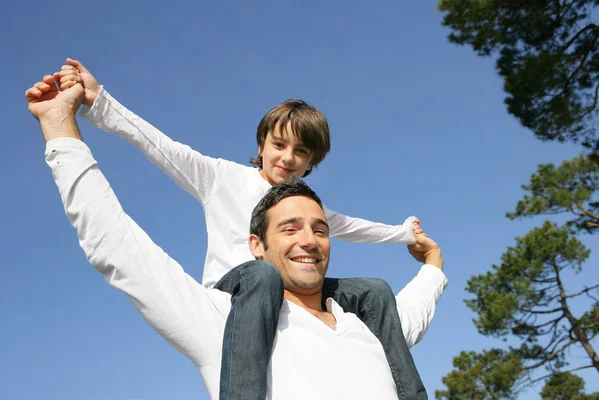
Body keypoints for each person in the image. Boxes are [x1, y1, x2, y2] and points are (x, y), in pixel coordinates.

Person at [36, 66, 438, 399]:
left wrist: (404, 235)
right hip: (238, 293)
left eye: (301, 153)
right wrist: (100, 103)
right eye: (279, 145)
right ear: (262, 143)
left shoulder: (313, 212)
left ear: (311, 162)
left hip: (289, 293)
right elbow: (162, 148)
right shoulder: (222, 177)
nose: (287, 158)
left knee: (374, 290)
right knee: (262, 277)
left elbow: (356, 227)